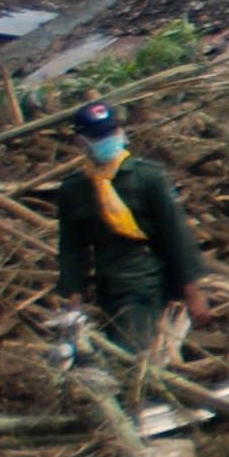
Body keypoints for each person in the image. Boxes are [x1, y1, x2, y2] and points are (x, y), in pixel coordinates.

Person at [51, 98, 208, 353]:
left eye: (111, 131)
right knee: (114, 346)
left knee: (132, 351)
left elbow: (176, 234)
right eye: (98, 135)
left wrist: (192, 291)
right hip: (106, 283)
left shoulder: (147, 177)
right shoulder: (75, 189)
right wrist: (73, 297)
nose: (108, 139)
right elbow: (72, 248)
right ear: (80, 142)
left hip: (144, 279)